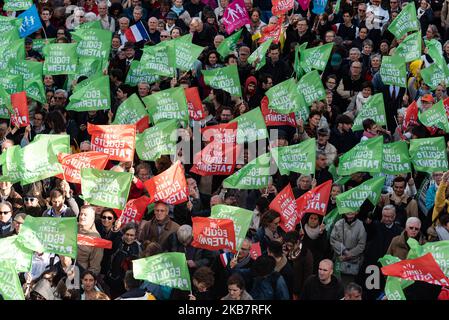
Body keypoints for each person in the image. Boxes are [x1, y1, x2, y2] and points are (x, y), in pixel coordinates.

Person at [106, 222, 142, 299]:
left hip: (129, 285)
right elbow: (108, 244)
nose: (129, 237)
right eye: (127, 234)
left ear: (136, 236)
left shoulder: (138, 248)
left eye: (132, 235)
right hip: (113, 281)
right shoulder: (118, 242)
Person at [330, 211, 367, 286]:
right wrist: (344, 250)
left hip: (353, 263)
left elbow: (361, 245)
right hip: (339, 259)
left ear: (356, 212)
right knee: (336, 284)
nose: (350, 215)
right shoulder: (338, 224)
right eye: (348, 212)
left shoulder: (361, 225)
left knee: (349, 286)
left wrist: (350, 254)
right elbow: (333, 240)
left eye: (352, 212)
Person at [77, 205, 104, 275]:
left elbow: (95, 267)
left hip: (80, 274)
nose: (82, 217)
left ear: (92, 218)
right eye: (81, 214)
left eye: (85, 215)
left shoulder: (96, 239)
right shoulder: (72, 227)